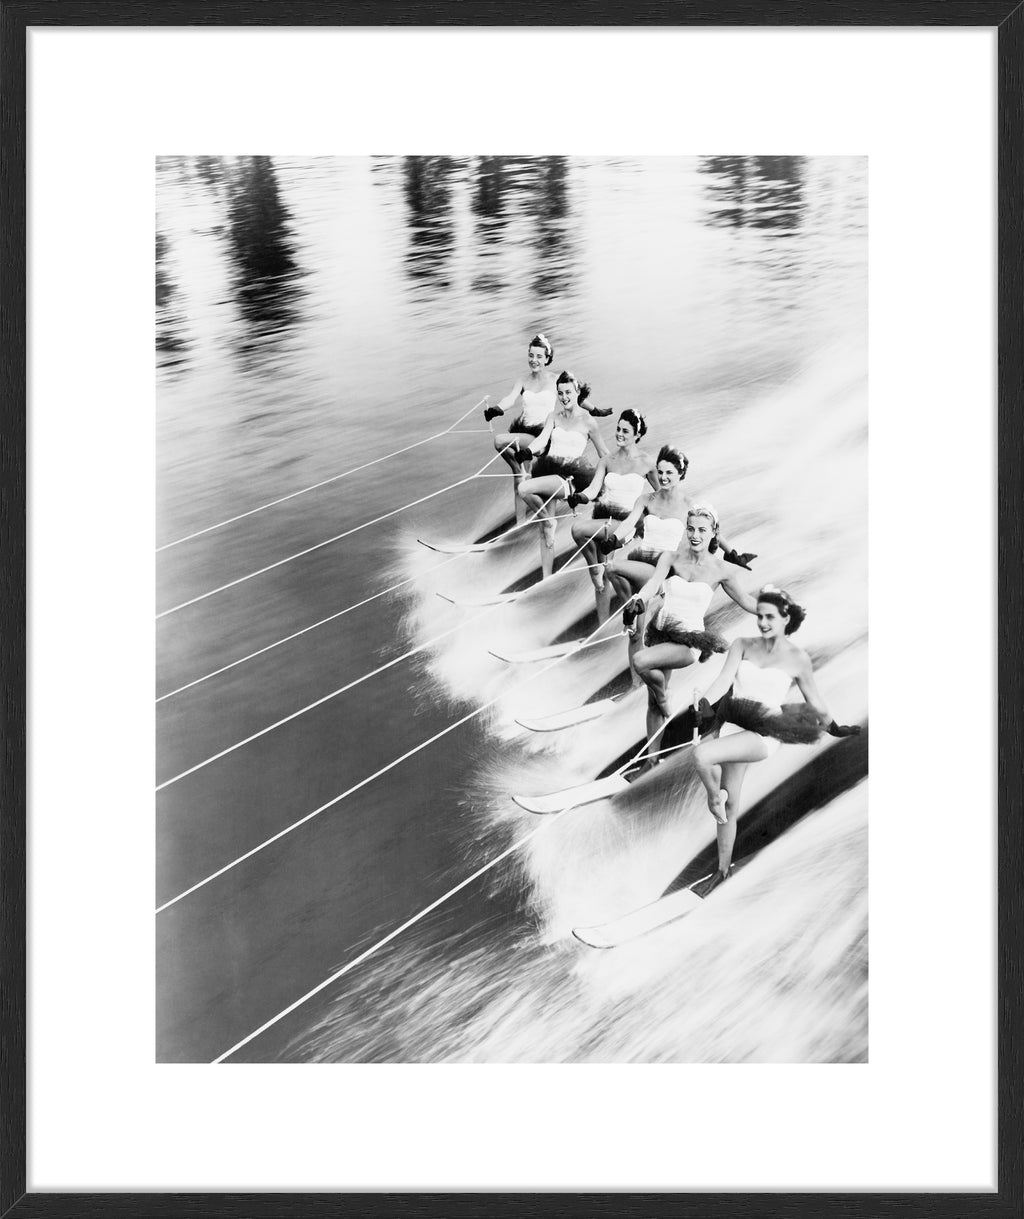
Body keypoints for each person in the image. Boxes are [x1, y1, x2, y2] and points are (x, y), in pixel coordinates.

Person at [688, 584, 861, 894]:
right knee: (732, 803)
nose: (763, 623)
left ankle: (713, 797)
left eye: (769, 617)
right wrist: (705, 705)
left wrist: (835, 728)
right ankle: (722, 871)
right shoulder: (741, 645)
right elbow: (722, 681)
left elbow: (816, 701)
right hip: (731, 729)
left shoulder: (798, 660)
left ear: (785, 618)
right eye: (760, 616)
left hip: (762, 735)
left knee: (701, 756)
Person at [603, 451, 755, 672]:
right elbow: (629, 522)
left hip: (664, 570)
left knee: (621, 579)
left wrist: (734, 554)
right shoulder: (647, 500)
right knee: (616, 578)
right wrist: (616, 539)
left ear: (680, 474)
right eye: (660, 472)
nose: (664, 477)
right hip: (644, 563)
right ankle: (636, 607)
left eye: (669, 473)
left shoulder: (690, 505)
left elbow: (711, 531)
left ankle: (646, 608)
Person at [622, 504, 759, 750]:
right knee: (652, 704)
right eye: (691, 529)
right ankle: (651, 760)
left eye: (702, 530)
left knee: (640, 662)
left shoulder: (721, 570)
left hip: (690, 642)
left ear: (714, 532)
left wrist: (777, 611)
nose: (695, 535)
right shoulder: (671, 557)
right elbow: (653, 584)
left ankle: (665, 697)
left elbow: (747, 601)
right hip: (660, 633)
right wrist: (639, 602)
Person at [484, 334, 611, 520]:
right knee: (520, 477)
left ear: (547, 358)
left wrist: (595, 410)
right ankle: (522, 523)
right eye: (531, 355)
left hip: (543, 436)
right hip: (523, 432)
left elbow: (577, 397)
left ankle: (541, 516)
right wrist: (497, 409)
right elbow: (510, 399)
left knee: (501, 442)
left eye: (539, 356)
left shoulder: (556, 379)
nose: (534, 360)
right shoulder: (523, 380)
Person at [516, 371, 611, 578]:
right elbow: (542, 440)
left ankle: (550, 521)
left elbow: (605, 455)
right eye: (560, 393)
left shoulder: (588, 422)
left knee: (524, 488)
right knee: (545, 531)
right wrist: (528, 451)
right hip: (548, 471)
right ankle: (546, 577)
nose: (564, 397)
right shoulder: (554, 417)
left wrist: (615, 476)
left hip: (569, 479)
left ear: (577, 392)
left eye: (568, 392)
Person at [567, 409, 658, 622]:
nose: (619, 434)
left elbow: (660, 496)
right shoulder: (607, 460)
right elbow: (592, 490)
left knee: (579, 531)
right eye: (618, 429)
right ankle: (602, 625)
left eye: (625, 431)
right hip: (604, 519)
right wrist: (578, 497)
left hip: (626, 524)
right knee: (602, 574)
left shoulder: (647, 462)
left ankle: (631, 614)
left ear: (637, 435)